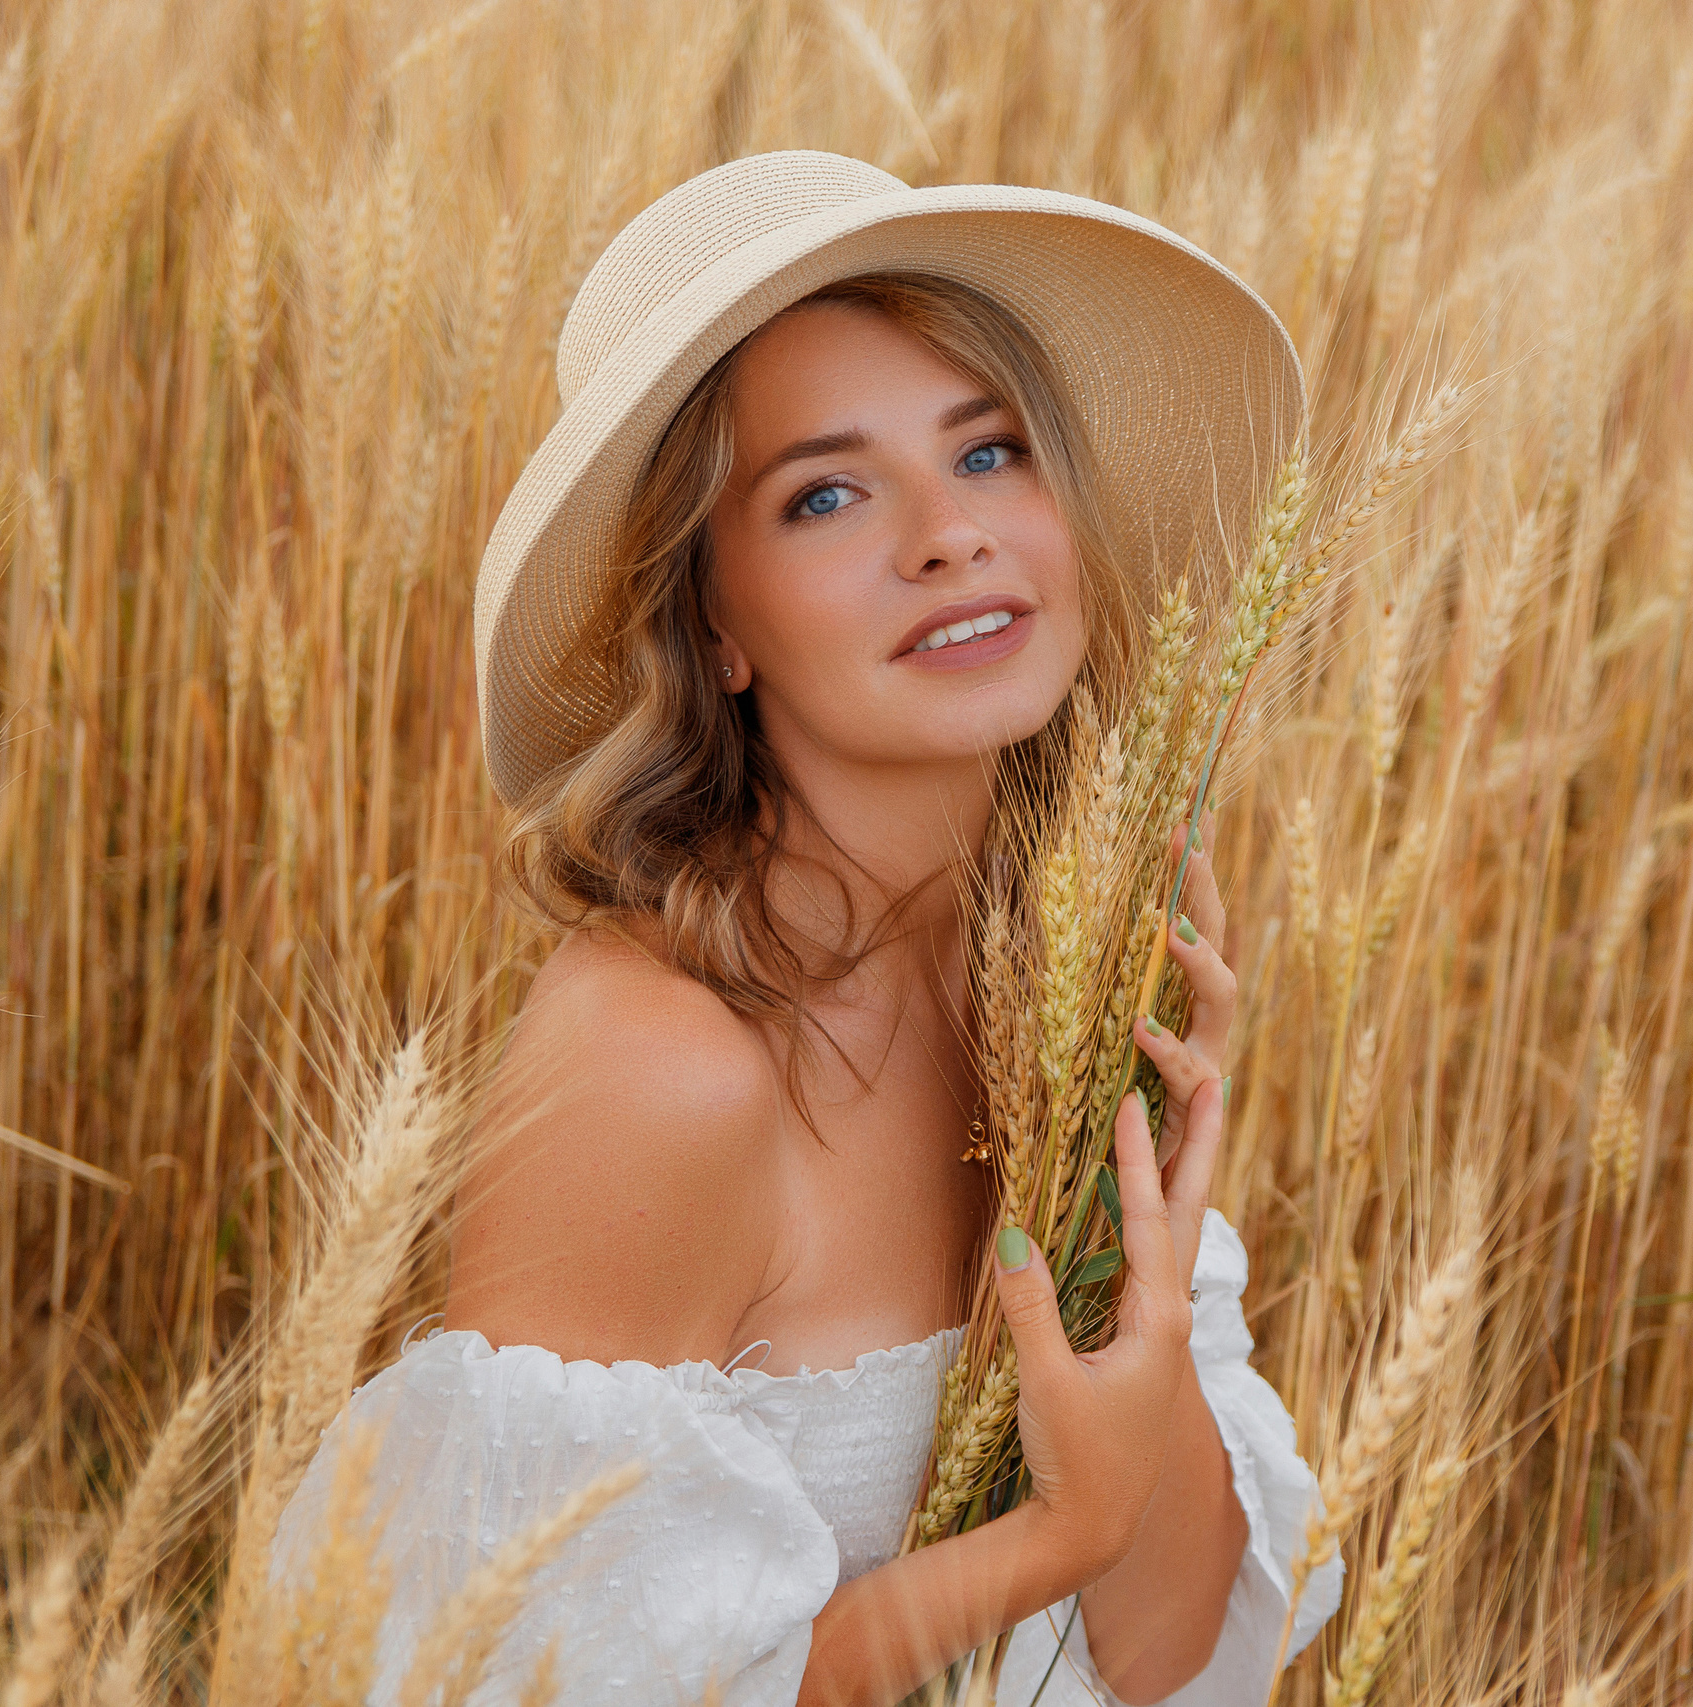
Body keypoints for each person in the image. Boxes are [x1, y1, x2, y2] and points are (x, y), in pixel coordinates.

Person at [270, 150, 1344, 1706]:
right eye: (827, 493)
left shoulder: (1074, 972)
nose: (948, 534)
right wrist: (1056, 1534)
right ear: (713, 622)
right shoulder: (661, 1067)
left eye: (990, 452)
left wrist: (1138, 1268)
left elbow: (1175, 1654)